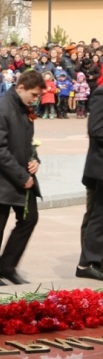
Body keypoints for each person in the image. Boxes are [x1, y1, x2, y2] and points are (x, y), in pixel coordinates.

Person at [0, 70, 44, 287]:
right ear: (20, 87)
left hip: (21, 176)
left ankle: (8, 266)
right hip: (1, 178)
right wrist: (22, 175)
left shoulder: (24, 109)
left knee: (29, 218)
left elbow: (28, 142)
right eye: (33, 94)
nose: (35, 99)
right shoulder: (0, 109)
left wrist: (34, 158)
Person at [79, 82, 103, 281]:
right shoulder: (101, 94)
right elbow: (96, 129)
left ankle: (93, 259)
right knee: (97, 215)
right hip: (99, 168)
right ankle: (87, 261)